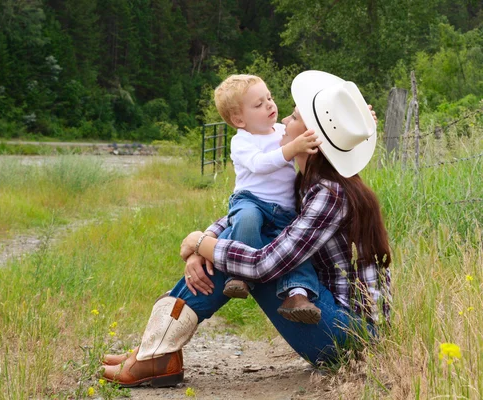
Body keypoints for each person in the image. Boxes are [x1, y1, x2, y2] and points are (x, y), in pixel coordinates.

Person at [101, 70, 391, 389]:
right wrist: (209, 238)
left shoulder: (329, 195)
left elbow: (263, 264)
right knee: (243, 241)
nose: (283, 118)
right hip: (338, 324)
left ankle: (156, 351)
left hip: (348, 337)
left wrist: (200, 244)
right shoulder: (307, 183)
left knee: (249, 257)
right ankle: (156, 350)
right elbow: (255, 209)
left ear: (309, 137)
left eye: (294, 115)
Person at [213, 74, 322, 324]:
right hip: (252, 200)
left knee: (296, 245)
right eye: (259, 104)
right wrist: (292, 148)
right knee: (247, 220)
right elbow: (259, 164)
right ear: (239, 119)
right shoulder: (242, 142)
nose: (270, 105)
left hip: (284, 208)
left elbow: (317, 133)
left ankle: (297, 294)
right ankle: (240, 275)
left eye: (269, 98)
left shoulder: (284, 131)